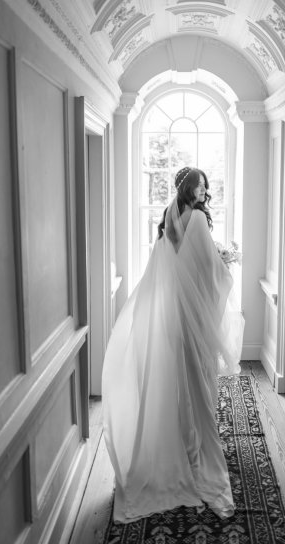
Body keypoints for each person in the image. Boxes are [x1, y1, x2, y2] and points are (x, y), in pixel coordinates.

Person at [102, 166, 244, 524]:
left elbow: (173, 263)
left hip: (171, 310)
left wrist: (214, 261)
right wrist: (224, 265)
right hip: (190, 312)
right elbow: (207, 269)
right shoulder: (196, 218)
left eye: (205, 185)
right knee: (195, 374)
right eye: (198, 185)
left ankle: (174, 438)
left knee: (177, 374)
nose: (203, 190)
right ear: (188, 188)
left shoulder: (170, 216)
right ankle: (192, 445)